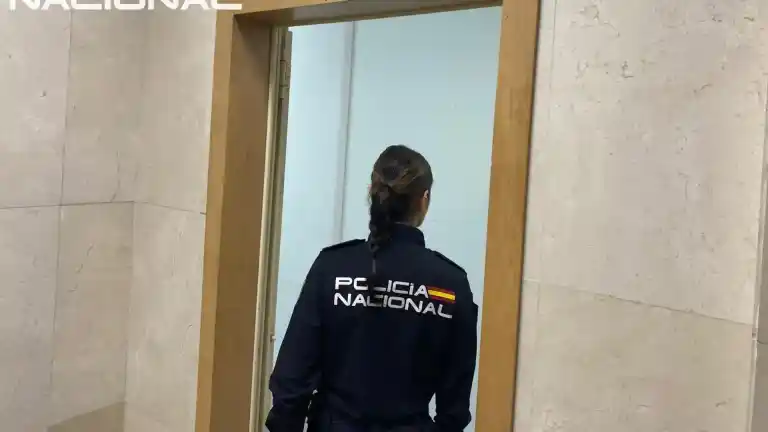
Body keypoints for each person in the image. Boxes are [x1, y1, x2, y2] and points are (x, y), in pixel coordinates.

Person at [266, 145, 478, 432]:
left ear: (372, 192)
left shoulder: (332, 268)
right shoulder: (450, 285)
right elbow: (454, 407)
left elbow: (293, 376)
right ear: (424, 200)